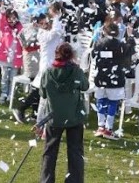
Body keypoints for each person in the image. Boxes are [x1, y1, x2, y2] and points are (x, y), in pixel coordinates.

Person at [38, 42, 88, 183]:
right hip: (74, 117)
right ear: (71, 55)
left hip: (54, 118)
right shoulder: (76, 71)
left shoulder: (48, 72)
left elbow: (42, 93)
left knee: (49, 152)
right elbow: (85, 86)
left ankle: (46, 180)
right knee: (75, 152)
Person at [90, 22, 133, 140]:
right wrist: (130, 38)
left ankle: (101, 126)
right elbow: (129, 55)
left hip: (100, 78)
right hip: (115, 79)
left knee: (101, 100)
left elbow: (94, 57)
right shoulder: (120, 45)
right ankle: (108, 129)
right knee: (113, 103)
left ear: (104, 31)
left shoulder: (98, 43)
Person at [0, 8, 24, 104]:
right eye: (9, 18)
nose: (12, 20)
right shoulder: (5, 28)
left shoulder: (19, 29)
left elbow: (23, 38)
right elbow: (1, 23)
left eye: (14, 18)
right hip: (4, 59)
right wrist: (2, 13)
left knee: (12, 77)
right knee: (4, 77)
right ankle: (4, 93)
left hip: (15, 59)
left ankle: (11, 94)